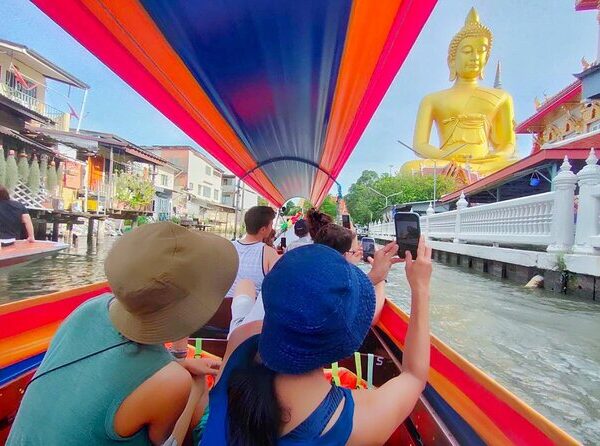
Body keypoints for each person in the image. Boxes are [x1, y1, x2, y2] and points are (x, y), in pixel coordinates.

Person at [7, 222, 238, 446]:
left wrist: (179, 364)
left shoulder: (90, 309)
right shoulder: (173, 382)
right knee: (198, 393)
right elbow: (167, 442)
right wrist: (193, 384)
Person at [201, 237, 432, 445]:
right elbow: (414, 375)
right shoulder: (352, 422)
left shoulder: (243, 341)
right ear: (343, 344)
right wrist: (420, 288)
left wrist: (374, 276)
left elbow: (299, 308)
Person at [170, 206, 279, 358]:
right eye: (271, 225)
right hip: (248, 326)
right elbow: (278, 288)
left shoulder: (226, 248)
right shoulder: (269, 253)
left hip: (214, 321)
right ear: (263, 229)